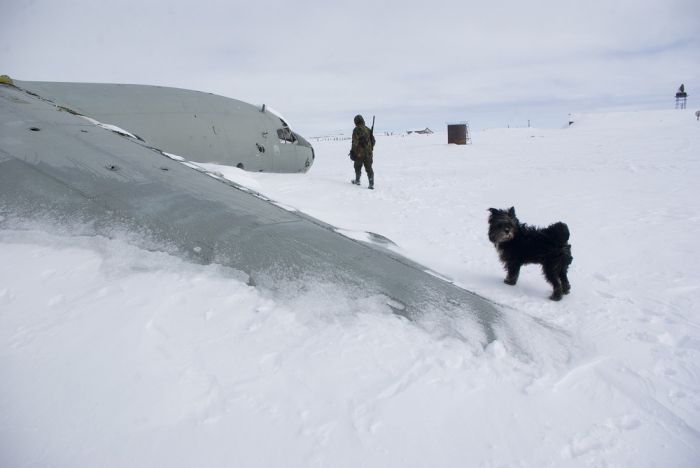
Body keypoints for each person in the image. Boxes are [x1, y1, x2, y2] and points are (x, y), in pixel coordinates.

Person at [349, 114, 375, 189]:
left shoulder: (356, 129)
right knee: (369, 168)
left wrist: (352, 152)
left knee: (357, 167)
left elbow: (354, 142)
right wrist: (370, 148)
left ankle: (357, 180)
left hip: (359, 154)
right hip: (369, 153)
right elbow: (373, 141)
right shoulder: (368, 129)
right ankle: (371, 184)